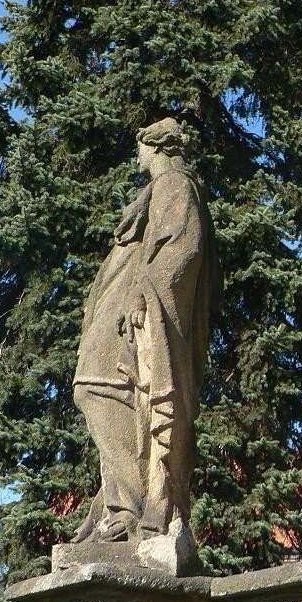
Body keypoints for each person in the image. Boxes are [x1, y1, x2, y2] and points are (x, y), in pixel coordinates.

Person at [73, 118, 220, 544]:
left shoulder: (175, 184)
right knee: (102, 392)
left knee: (97, 390)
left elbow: (182, 249)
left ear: (154, 147)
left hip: (138, 317)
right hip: (123, 316)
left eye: (140, 147)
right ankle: (119, 506)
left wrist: (143, 295)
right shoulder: (158, 190)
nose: (137, 156)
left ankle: (133, 507)